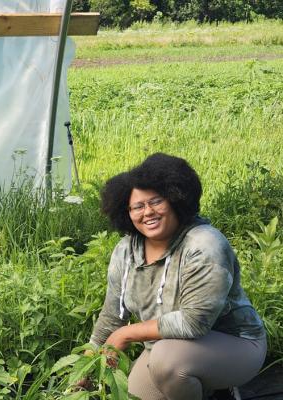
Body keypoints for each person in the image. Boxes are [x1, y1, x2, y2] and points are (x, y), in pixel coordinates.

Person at [86, 153, 266, 400]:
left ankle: (218, 390)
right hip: (165, 347)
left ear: (175, 200)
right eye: (137, 206)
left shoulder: (204, 245)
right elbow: (112, 315)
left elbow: (194, 322)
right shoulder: (126, 251)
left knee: (167, 363)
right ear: (126, 212)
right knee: (136, 393)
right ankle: (203, 388)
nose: (147, 212)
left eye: (156, 202)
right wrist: (85, 366)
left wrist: (125, 334)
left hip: (235, 345)